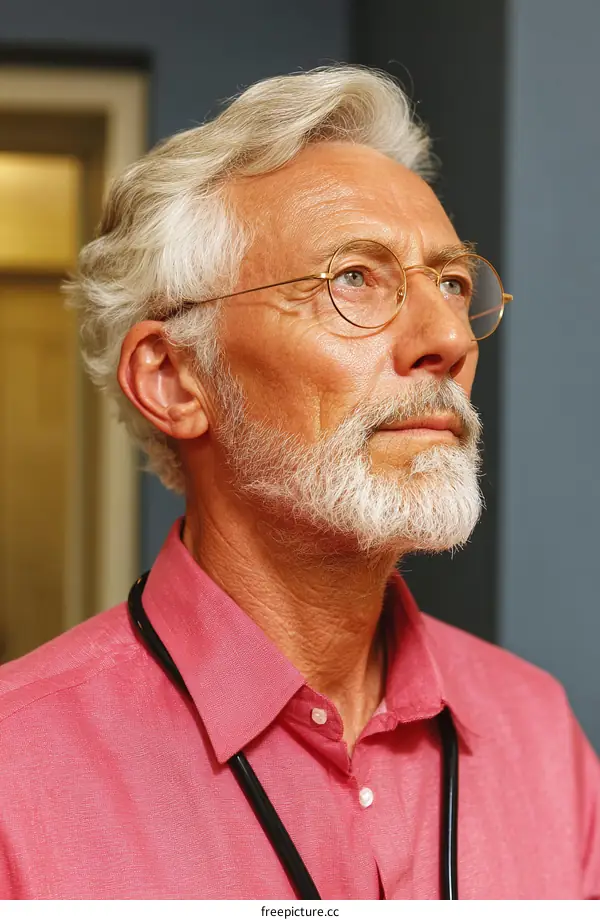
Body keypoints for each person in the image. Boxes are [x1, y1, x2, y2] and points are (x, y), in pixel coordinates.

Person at [0, 65, 598, 901]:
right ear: (174, 380)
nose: (448, 340)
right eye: (354, 277)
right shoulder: (16, 776)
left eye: (453, 283)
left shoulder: (538, 733)